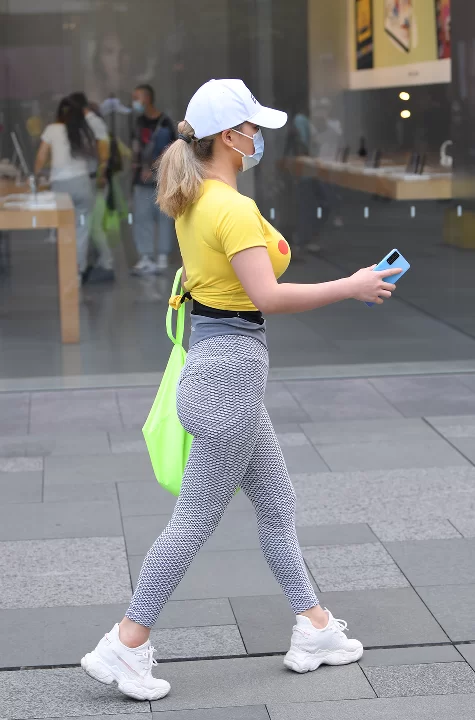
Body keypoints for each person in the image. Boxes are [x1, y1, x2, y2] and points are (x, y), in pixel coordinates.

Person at [81, 79, 400, 702]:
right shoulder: (228, 207)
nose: (258, 139)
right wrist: (353, 284)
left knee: (277, 503)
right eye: (253, 130)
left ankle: (314, 628)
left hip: (220, 373)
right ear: (230, 137)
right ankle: (126, 641)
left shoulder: (197, 199)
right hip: (229, 381)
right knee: (194, 521)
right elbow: (268, 297)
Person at [34, 97, 97, 280]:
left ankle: (66, 270)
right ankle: (78, 271)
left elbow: (41, 157)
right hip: (83, 184)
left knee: (64, 228)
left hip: (61, 186)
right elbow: (93, 159)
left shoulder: (52, 129)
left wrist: (37, 176)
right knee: (82, 229)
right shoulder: (84, 130)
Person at [130, 84, 176, 275]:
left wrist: (153, 168)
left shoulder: (165, 123)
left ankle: (163, 255)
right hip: (140, 180)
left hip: (161, 179)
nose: (134, 102)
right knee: (142, 217)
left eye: (137, 97)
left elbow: (171, 150)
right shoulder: (138, 122)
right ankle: (146, 256)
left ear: (147, 98)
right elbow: (135, 148)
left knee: (164, 217)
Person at [70, 92, 115, 282]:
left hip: (95, 180)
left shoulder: (92, 123)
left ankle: (106, 263)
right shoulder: (88, 123)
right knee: (91, 226)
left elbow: (104, 152)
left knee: (94, 226)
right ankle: (101, 262)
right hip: (91, 179)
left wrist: (101, 174)